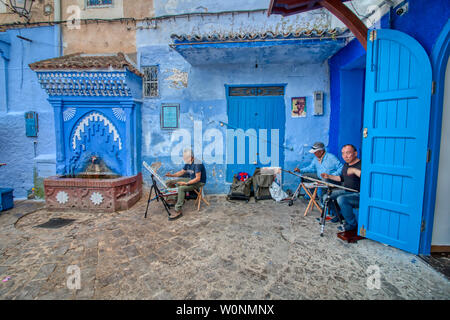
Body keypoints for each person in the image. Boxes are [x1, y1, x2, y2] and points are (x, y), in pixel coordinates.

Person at [321, 144, 361, 231]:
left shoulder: (362, 165)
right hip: (346, 191)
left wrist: (354, 170)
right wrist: (329, 176)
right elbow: (341, 178)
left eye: (348, 153)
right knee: (326, 197)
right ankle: (339, 215)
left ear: (355, 153)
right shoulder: (346, 165)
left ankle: (352, 224)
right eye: (343, 153)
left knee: (341, 199)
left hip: (358, 194)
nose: (345, 156)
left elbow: (366, 177)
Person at [165, 149, 206, 220]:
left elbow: (198, 179)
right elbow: (182, 172)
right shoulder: (188, 162)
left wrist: (186, 183)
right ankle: (175, 199)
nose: (183, 158)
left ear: (191, 157)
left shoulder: (197, 163)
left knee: (181, 188)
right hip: (191, 179)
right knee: (169, 182)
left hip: (199, 182)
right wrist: (172, 175)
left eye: (185, 157)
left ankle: (178, 210)